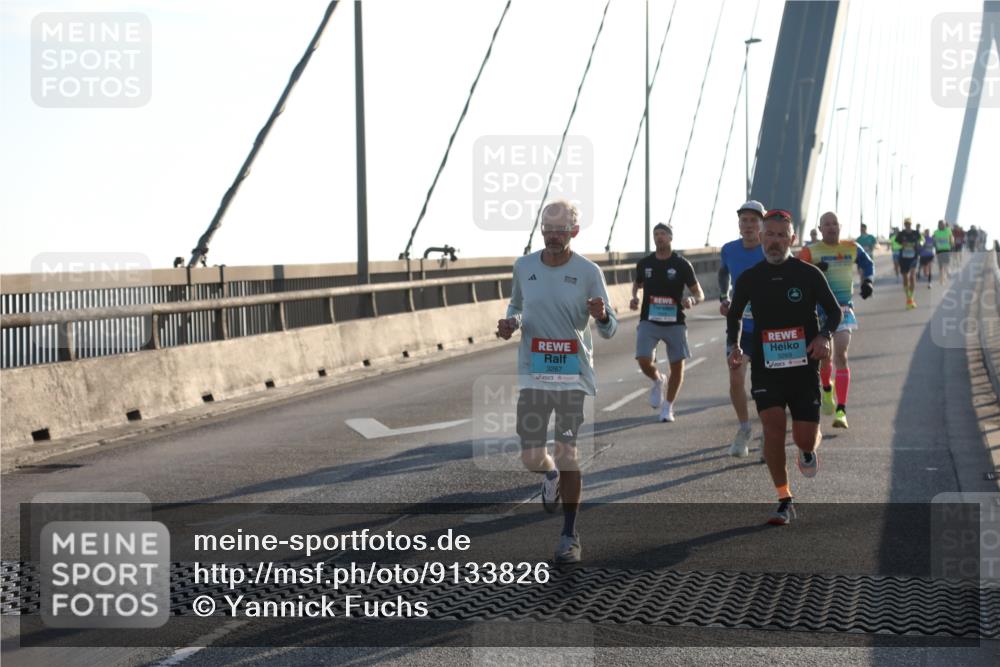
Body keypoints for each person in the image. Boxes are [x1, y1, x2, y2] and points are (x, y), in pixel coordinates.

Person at [497, 199, 618, 564]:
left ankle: (569, 534)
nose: (552, 236)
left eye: (560, 230)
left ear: (574, 232)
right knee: (533, 456)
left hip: (571, 377)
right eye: (547, 229)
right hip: (534, 375)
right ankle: (547, 475)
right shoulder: (524, 266)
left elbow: (611, 329)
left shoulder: (588, 271)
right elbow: (516, 307)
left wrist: (601, 315)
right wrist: (511, 324)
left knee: (568, 452)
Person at [727, 209, 841, 525]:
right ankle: (784, 498)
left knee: (805, 437)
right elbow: (735, 314)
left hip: (804, 368)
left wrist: (824, 336)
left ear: (791, 239)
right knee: (773, 429)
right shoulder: (750, 278)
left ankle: (807, 451)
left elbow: (834, 312)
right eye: (770, 235)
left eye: (781, 236)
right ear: (761, 238)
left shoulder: (808, 274)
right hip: (767, 367)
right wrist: (733, 345)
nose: (775, 242)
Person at [798, 212, 874, 430]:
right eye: (826, 225)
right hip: (817, 312)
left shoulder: (851, 247)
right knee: (825, 357)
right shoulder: (810, 251)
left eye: (834, 224)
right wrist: (812, 272)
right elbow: (795, 273)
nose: (831, 228)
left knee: (841, 353)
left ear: (840, 226)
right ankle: (827, 389)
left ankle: (841, 410)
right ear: (820, 229)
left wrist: (867, 281)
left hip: (842, 309)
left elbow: (867, 265)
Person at [630, 223, 704, 422]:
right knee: (643, 359)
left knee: (677, 367)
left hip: (675, 322)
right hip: (649, 320)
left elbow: (699, 293)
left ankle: (668, 407)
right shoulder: (645, 263)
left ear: (670, 237)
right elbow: (637, 284)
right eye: (656, 234)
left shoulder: (681, 264)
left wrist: (692, 300)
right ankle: (657, 379)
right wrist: (635, 297)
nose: (659, 237)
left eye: (663, 234)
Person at [717, 200, 767, 457]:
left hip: (768, 329)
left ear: (762, 224)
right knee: (736, 375)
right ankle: (745, 428)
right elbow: (723, 273)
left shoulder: (770, 250)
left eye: (753, 221)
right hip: (739, 327)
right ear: (739, 225)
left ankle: (767, 435)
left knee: (765, 385)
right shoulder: (729, 249)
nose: (748, 225)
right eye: (744, 220)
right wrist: (724, 297)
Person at [896, 218, 923, 308]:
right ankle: (908, 297)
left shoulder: (916, 233)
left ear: (911, 224)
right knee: (905, 278)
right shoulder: (901, 234)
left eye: (909, 224)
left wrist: (919, 244)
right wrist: (902, 244)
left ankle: (911, 297)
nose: (908, 225)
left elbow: (921, 241)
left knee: (912, 276)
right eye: (906, 224)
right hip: (903, 258)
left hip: (913, 257)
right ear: (904, 224)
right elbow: (896, 242)